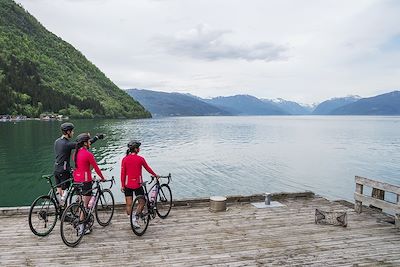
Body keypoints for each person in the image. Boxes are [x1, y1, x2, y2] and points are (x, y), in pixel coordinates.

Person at [53, 122, 104, 202]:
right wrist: (96, 137)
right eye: (72, 131)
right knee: (67, 191)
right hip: (64, 170)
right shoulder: (67, 144)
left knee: (60, 191)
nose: (73, 133)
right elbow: (83, 144)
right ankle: (68, 207)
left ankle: (60, 209)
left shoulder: (57, 141)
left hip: (56, 169)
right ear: (68, 132)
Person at [73, 133, 105, 235]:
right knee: (85, 206)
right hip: (86, 181)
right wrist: (103, 178)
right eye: (88, 141)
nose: (90, 142)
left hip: (76, 180)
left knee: (80, 203)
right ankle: (82, 227)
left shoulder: (75, 153)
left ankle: (80, 221)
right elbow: (96, 168)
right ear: (85, 143)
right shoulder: (88, 154)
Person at [120, 140, 158, 227]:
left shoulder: (124, 159)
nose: (139, 149)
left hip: (127, 184)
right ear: (136, 149)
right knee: (142, 202)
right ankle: (135, 218)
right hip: (138, 184)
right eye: (138, 148)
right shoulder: (140, 159)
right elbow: (148, 168)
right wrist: (155, 175)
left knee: (129, 204)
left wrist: (122, 185)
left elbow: (123, 173)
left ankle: (131, 219)